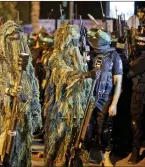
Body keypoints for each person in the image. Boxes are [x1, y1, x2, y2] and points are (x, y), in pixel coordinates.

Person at [0, 20, 42, 167]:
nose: (15, 42)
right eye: (11, 38)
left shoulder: (26, 63)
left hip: (22, 117)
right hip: (4, 116)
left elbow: (33, 88)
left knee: (21, 153)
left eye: (18, 38)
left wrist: (34, 111)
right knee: (2, 152)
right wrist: (8, 90)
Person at [43, 24, 95, 167]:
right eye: (71, 38)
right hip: (61, 107)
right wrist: (85, 75)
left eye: (76, 39)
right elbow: (64, 74)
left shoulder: (78, 56)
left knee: (75, 141)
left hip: (78, 108)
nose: (74, 42)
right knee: (58, 141)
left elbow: (86, 83)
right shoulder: (56, 56)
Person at [87, 28, 123, 166]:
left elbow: (118, 82)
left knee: (104, 128)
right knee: (88, 127)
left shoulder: (115, 56)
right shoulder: (91, 54)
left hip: (106, 97)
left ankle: (105, 155)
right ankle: (90, 152)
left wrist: (114, 104)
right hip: (90, 96)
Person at [127, 33, 145, 164]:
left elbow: (131, 73)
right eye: (138, 42)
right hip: (138, 94)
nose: (140, 44)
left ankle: (135, 154)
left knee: (136, 123)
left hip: (141, 95)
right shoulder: (137, 55)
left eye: (143, 42)